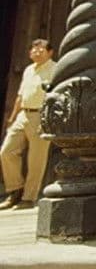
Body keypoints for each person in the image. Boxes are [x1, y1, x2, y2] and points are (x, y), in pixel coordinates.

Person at [0, 39, 55, 210]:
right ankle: (15, 189)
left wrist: (49, 119)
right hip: (23, 114)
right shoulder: (28, 70)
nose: (36, 52)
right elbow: (20, 96)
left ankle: (29, 198)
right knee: (6, 152)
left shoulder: (55, 69)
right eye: (34, 50)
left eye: (41, 50)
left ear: (50, 53)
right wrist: (12, 118)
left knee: (36, 159)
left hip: (41, 115)